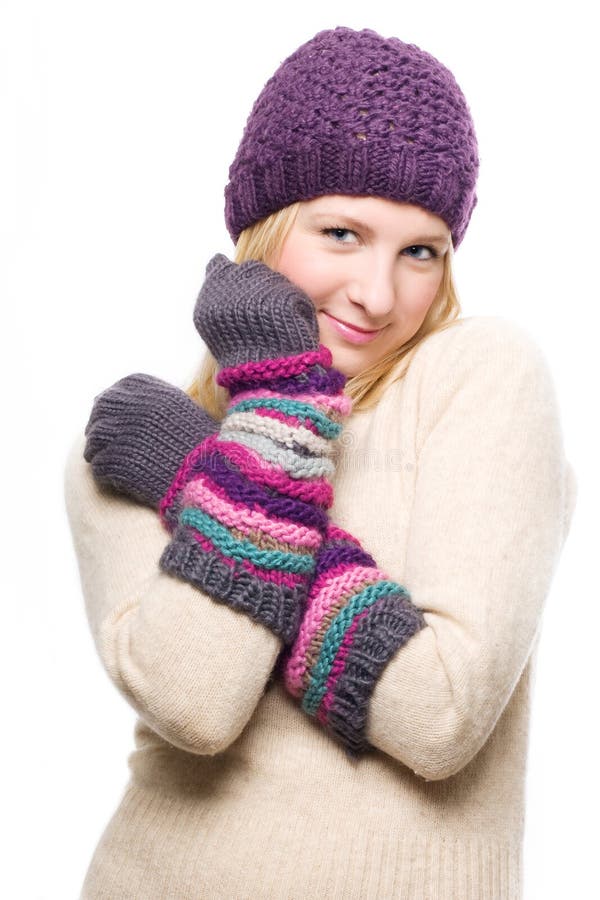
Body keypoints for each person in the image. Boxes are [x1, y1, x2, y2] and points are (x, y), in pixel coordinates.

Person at [64, 26, 577, 899]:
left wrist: (208, 475)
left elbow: (441, 715)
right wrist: (273, 423)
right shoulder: (119, 449)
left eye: (422, 251)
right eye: (342, 233)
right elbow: (197, 703)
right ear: (265, 231)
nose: (380, 293)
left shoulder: (479, 378)